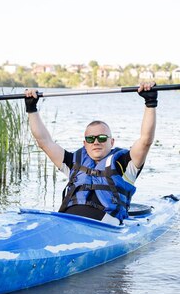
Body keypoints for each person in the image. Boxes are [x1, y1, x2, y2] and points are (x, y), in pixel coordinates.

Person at [24, 83, 158, 226]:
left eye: (101, 138)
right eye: (90, 139)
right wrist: (31, 109)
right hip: (67, 221)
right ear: (85, 143)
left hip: (103, 226)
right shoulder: (72, 163)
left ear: (111, 142)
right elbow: (44, 142)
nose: (96, 142)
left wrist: (150, 103)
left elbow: (145, 140)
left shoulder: (125, 164)